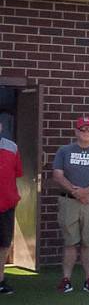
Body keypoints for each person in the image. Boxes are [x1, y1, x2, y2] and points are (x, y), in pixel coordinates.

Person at [50, 116, 89, 293]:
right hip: (69, 201)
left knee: (88, 242)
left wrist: (86, 192)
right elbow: (57, 175)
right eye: (82, 129)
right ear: (76, 131)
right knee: (70, 242)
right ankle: (66, 279)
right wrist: (76, 192)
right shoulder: (64, 151)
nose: (86, 132)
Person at [0, 126, 20, 295]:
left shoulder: (11, 147)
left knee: (4, 244)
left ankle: (0, 279)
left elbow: (17, 173)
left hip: (6, 204)